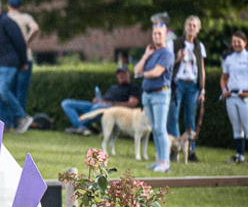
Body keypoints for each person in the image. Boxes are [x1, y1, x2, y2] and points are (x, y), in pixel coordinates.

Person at [0, 0, 32, 134]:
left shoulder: (7, 22)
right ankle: (6, 125)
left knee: (1, 90)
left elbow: (20, 43)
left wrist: (23, 62)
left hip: (10, 62)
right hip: (0, 63)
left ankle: (22, 117)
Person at [134, 21, 175, 172]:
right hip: (148, 95)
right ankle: (159, 160)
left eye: (159, 34)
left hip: (160, 94)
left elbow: (156, 72)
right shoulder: (152, 53)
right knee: (154, 128)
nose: (156, 36)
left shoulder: (167, 53)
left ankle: (165, 163)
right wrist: (145, 56)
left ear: (165, 36)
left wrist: (141, 74)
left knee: (160, 128)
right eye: (154, 34)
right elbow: (136, 70)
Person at [167, 15, 206, 161]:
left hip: (193, 85)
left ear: (198, 29)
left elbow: (202, 69)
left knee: (190, 119)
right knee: (173, 116)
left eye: (194, 25)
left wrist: (202, 89)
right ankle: (175, 149)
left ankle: (190, 151)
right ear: (185, 27)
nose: (191, 27)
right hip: (177, 84)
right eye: (189, 25)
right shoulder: (174, 43)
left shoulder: (199, 46)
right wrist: (178, 57)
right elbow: (167, 64)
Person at [61, 65, 141, 135]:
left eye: (123, 73)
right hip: (97, 105)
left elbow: (132, 104)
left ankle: (80, 126)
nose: (121, 75)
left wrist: (111, 104)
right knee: (66, 103)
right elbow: (105, 98)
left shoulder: (134, 87)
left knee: (98, 107)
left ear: (128, 74)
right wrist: (98, 100)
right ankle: (81, 126)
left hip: (112, 109)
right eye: (119, 73)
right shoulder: (113, 87)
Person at [6, 0, 39, 114]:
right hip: (25, 57)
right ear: (21, 7)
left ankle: (10, 119)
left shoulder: (5, 19)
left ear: (8, 6)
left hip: (10, 58)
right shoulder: (26, 17)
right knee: (21, 90)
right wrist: (26, 41)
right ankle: (20, 119)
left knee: (9, 90)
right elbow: (35, 28)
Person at [220, 31, 248, 164]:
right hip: (232, 96)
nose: (236, 44)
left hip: (245, 96)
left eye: (239, 41)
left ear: (245, 42)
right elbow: (224, 77)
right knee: (236, 127)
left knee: (247, 126)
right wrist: (224, 90)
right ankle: (239, 155)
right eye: (234, 41)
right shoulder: (229, 59)